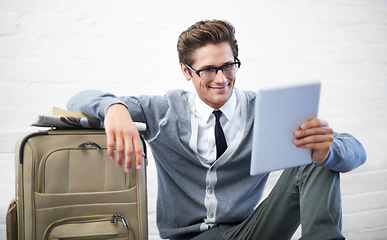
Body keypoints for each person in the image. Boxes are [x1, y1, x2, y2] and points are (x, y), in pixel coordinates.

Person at [67, 20, 367, 240]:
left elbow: (355, 149)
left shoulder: (264, 110)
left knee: (317, 155)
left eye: (228, 66)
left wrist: (327, 150)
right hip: (190, 238)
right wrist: (114, 108)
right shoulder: (164, 111)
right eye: (208, 69)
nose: (221, 78)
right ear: (187, 71)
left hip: (247, 232)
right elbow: (78, 100)